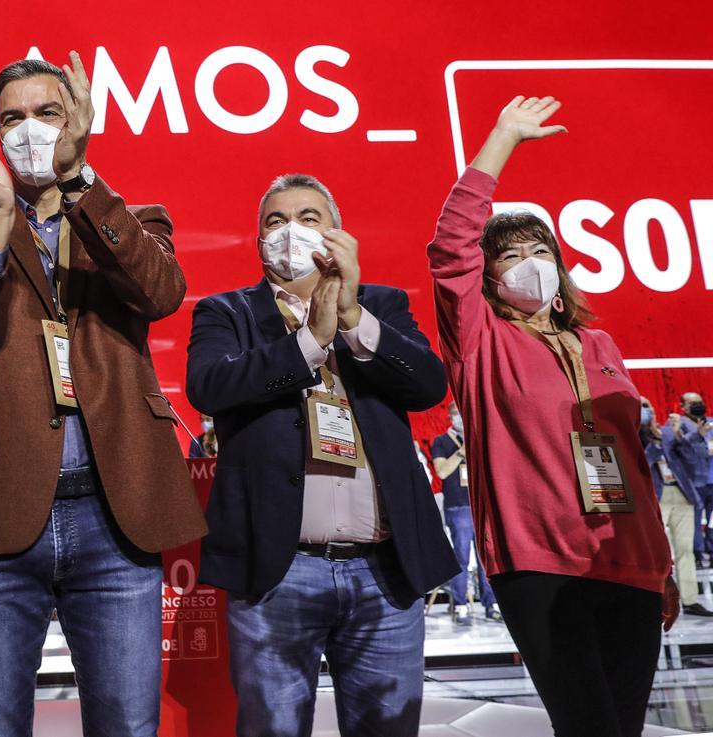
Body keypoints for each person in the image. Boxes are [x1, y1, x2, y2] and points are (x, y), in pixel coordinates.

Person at [0, 54, 206, 736]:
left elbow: (159, 293)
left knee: (128, 726)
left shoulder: (132, 220)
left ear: (79, 121)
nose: (30, 131)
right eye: (12, 117)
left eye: (47, 113)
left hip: (114, 515)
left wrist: (79, 180)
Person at [427, 96, 676, 737]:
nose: (528, 263)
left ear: (561, 269)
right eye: (509, 255)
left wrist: (664, 566)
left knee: (624, 727)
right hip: (540, 563)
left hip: (632, 564)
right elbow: (452, 244)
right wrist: (503, 139)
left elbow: (634, 464)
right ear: (487, 278)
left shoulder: (599, 345)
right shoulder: (481, 339)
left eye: (539, 249)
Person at [187, 172, 457, 737]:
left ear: (337, 234)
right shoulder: (226, 313)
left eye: (308, 218)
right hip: (279, 572)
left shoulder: (383, 304)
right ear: (257, 241)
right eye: (275, 221)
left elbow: (429, 385)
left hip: (384, 570)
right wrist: (310, 341)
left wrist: (353, 318)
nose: (291, 231)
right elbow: (209, 388)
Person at [431, 401, 499, 626]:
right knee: (461, 556)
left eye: (462, 415)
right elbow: (441, 471)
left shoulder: (478, 438)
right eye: (455, 415)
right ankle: (460, 605)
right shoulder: (442, 441)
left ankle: (491, 605)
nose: (459, 419)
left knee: (485, 559)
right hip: (458, 507)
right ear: (450, 417)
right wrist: (461, 452)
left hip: (481, 506)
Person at [647, 398, 713, 616]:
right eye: (641, 406)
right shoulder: (631, 435)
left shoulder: (667, 431)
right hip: (655, 497)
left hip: (682, 493)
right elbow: (642, 463)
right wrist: (655, 444)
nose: (646, 410)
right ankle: (657, 600)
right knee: (656, 552)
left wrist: (681, 436)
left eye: (648, 405)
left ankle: (690, 600)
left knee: (685, 549)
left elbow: (691, 457)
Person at [671, 392, 713, 564]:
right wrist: (698, 436)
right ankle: (697, 554)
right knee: (694, 520)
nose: (698, 405)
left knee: (712, 521)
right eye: (693, 403)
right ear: (683, 407)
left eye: (700, 402)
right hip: (692, 480)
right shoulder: (678, 425)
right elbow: (680, 448)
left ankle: (711, 551)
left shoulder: (710, 421)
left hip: (711, 478)